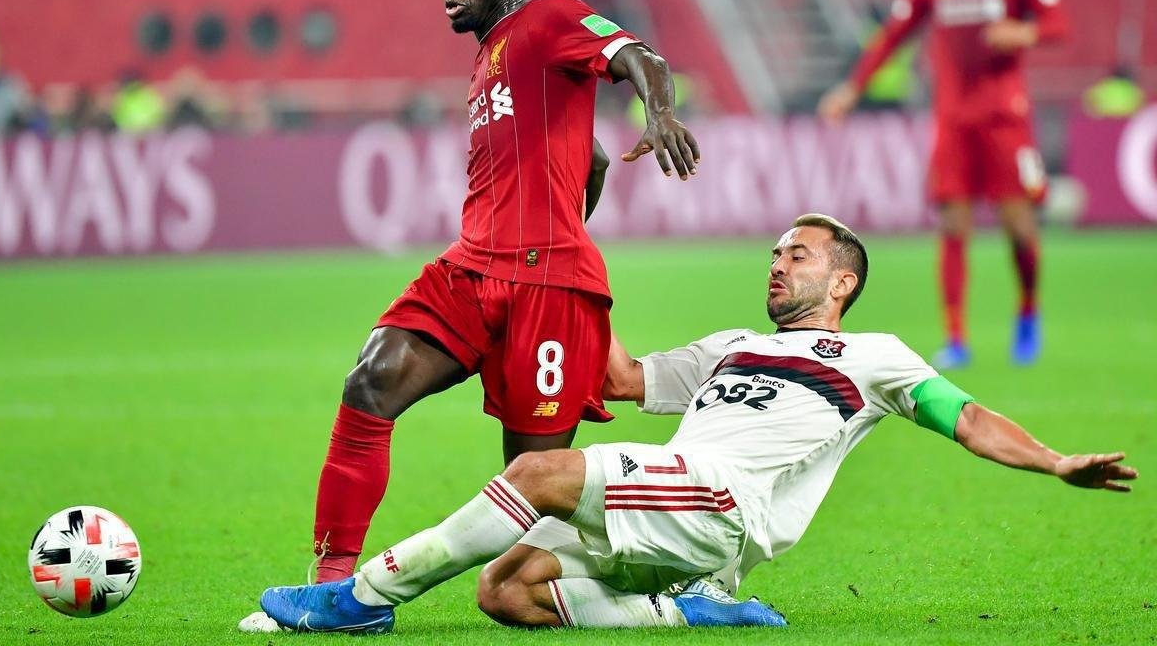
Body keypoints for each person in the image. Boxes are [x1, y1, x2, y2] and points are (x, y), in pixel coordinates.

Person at [257, 213, 1136, 633]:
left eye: (798, 255)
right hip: (670, 510)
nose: (777, 264)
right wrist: (571, 269)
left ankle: (361, 599)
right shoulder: (732, 346)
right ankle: (686, 613)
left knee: (538, 474)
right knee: (505, 594)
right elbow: (620, 377)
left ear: (842, 282)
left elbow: (967, 417)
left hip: (725, 502)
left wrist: (1056, 462)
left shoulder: (873, 356)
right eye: (775, 253)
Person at [240, 0, 700, 634]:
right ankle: (334, 595)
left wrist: (662, 112)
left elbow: (640, 57)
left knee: (531, 493)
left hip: (547, 287)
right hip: (472, 268)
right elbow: (591, 159)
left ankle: (674, 581)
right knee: (370, 382)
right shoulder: (490, 56)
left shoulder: (550, 18)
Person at [817, 0, 1068, 369]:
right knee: (954, 226)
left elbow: (1057, 24)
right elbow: (894, 35)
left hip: (1006, 119)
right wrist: (852, 87)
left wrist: (1023, 31)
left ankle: (1027, 310)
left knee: (1019, 226)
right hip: (953, 121)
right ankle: (955, 337)